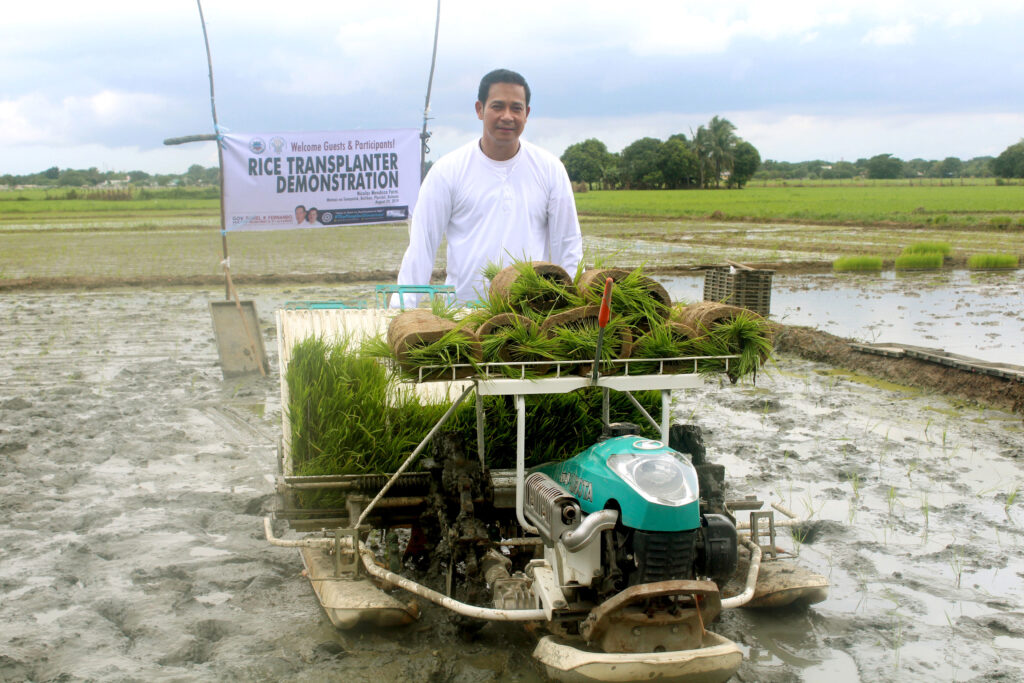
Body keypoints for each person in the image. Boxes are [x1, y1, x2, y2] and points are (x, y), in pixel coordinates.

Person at [395, 68, 583, 305]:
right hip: (463, 317)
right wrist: (401, 310)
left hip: (531, 316)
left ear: (527, 114)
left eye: (516, 108)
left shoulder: (550, 169)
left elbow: (567, 245)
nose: (507, 116)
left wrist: (573, 307)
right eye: (497, 106)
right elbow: (421, 247)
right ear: (479, 109)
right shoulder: (447, 171)